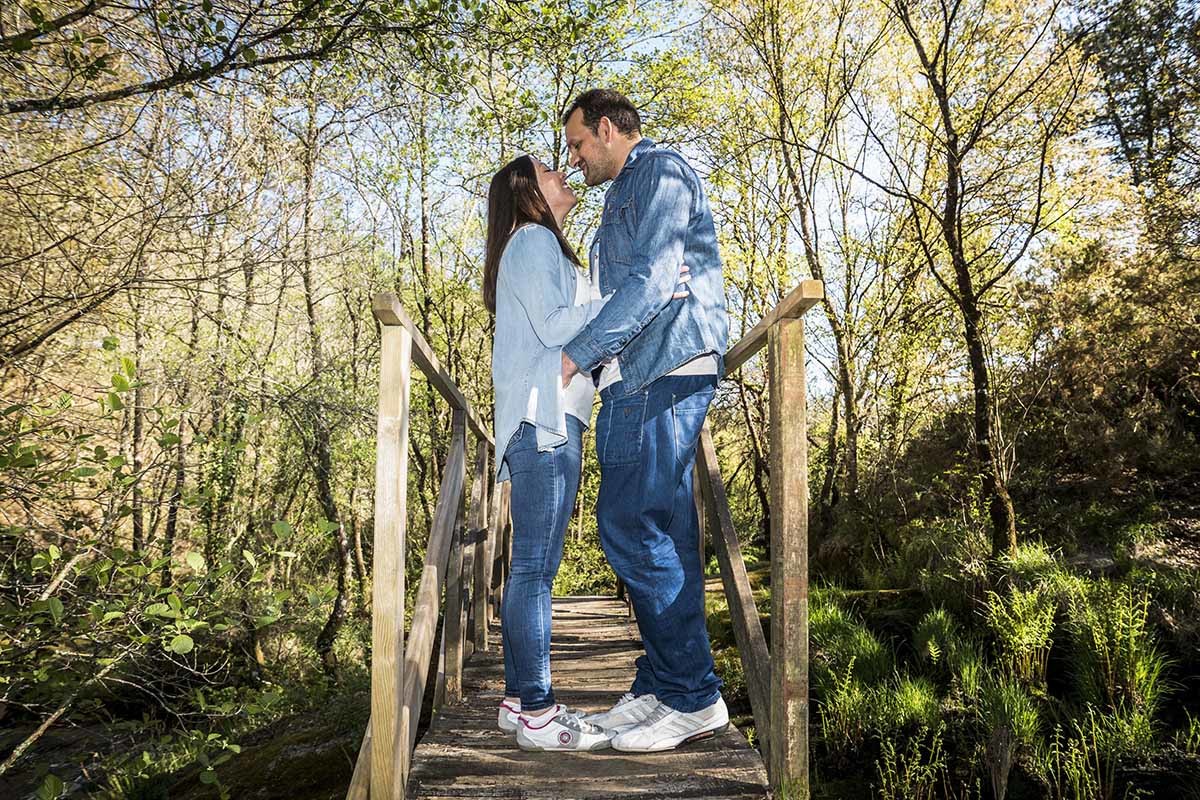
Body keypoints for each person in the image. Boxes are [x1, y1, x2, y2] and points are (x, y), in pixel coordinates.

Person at [483, 153, 691, 752]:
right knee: (535, 569)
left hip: (543, 418)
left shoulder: (530, 247)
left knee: (532, 566)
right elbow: (554, 327)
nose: (563, 173)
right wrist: (629, 296)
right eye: (550, 170)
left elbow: (554, 329)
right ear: (528, 192)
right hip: (544, 422)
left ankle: (520, 701)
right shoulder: (532, 243)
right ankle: (539, 714)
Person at [559, 89, 731, 753]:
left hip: (661, 365)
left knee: (628, 523)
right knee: (666, 531)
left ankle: (692, 694)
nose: (574, 160)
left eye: (577, 144)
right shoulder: (625, 192)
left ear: (607, 128)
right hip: (645, 370)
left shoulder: (656, 173)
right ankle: (665, 682)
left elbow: (654, 280)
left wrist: (580, 353)